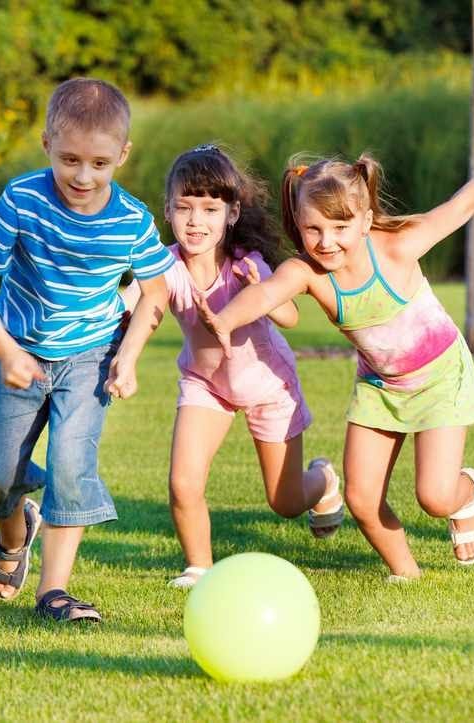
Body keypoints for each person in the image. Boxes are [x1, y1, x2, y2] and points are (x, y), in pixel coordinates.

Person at [193, 122, 474, 581]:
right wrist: (225, 320)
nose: (326, 242)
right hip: (380, 387)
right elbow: (266, 293)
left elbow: (462, 205)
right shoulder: (307, 272)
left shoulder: (398, 247)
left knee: (434, 496)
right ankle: (407, 574)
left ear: (364, 221)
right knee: (361, 499)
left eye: (340, 227)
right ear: (298, 224)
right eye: (313, 229)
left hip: (440, 378)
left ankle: (465, 495)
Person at [0, 78, 175, 622]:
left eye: (99, 163)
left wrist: (127, 356)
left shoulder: (131, 220)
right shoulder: (23, 199)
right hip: (19, 354)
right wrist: (5, 350)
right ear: (47, 144)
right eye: (70, 159)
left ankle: (53, 591)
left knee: (72, 466)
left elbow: (156, 291)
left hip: (89, 358)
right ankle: (14, 536)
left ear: (122, 155)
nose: (83, 176)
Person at [119, 144, 343, 590]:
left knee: (285, 502)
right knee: (183, 483)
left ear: (232, 213)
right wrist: (117, 333)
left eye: (209, 209)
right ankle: (199, 568)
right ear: (168, 210)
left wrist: (263, 292)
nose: (195, 221)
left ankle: (324, 480)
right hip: (206, 385)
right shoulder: (165, 265)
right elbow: (138, 302)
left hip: (268, 386)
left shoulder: (246, 264)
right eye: (184, 207)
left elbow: (290, 317)